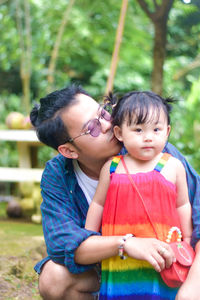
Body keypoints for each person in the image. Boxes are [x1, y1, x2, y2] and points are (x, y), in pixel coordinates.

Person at [30, 84, 200, 300]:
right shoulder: (58, 175)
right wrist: (126, 244)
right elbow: (62, 243)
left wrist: (192, 287)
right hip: (110, 270)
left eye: (103, 113)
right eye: (92, 127)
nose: (107, 125)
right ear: (69, 150)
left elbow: (197, 211)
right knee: (54, 278)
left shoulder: (155, 151)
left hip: (168, 267)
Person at [85, 91, 193, 299]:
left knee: (160, 291)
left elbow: (183, 205)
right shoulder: (112, 168)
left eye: (156, 129)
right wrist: (89, 235)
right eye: (138, 130)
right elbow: (98, 204)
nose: (148, 137)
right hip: (121, 257)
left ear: (167, 131)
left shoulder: (173, 166)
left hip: (164, 254)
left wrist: (186, 240)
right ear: (119, 133)